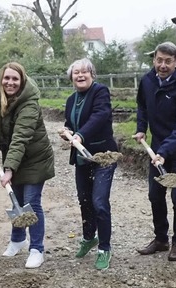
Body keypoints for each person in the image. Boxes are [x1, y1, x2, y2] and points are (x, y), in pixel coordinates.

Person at [132, 42, 176, 262]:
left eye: (168, 61)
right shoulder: (148, 80)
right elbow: (142, 105)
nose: (162, 65)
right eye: (159, 60)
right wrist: (141, 128)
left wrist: (165, 151)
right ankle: (161, 239)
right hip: (159, 148)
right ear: (154, 60)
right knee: (155, 194)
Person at [0, 62, 55, 269]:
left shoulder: (29, 103)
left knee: (31, 203)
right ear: (1, 80)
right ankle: (17, 240)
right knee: (15, 199)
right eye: (7, 78)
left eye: (15, 79)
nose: (10, 82)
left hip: (35, 159)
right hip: (16, 158)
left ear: (22, 80)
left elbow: (20, 137)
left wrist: (9, 170)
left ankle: (36, 249)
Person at [59, 58, 118, 270]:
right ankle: (88, 237)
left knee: (99, 201)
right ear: (71, 77)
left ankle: (104, 248)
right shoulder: (71, 99)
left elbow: (100, 115)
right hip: (82, 158)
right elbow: (70, 123)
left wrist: (81, 136)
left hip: (103, 155)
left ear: (92, 74)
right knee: (84, 200)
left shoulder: (100, 92)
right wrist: (67, 132)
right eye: (76, 73)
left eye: (84, 71)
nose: (80, 75)